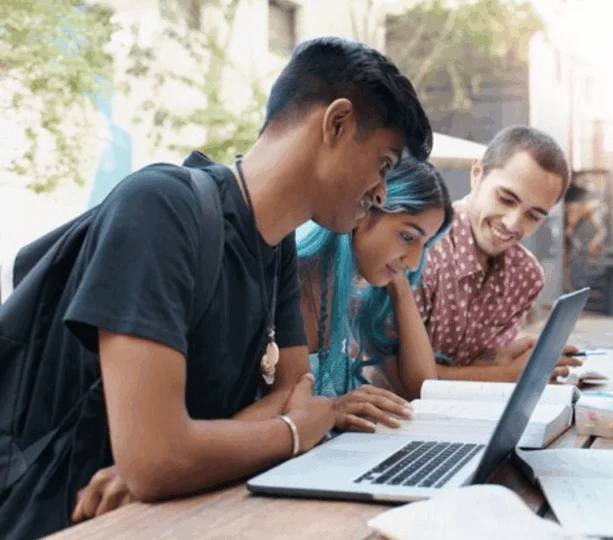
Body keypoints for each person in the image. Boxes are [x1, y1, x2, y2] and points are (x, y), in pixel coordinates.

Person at [0, 36, 431, 538]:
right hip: (67, 521)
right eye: (382, 164)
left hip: (173, 518)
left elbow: (296, 388)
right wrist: (292, 431)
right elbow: (156, 460)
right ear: (336, 123)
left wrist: (195, 449)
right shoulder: (160, 208)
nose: (380, 193)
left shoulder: (277, 249)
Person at [414, 125, 580, 382]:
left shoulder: (527, 277)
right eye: (506, 199)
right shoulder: (421, 250)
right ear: (477, 174)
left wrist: (505, 357)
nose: (513, 223)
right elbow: (396, 376)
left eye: (533, 216)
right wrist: (506, 374)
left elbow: (475, 365)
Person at [297, 157, 453, 420]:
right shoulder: (293, 281)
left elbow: (420, 387)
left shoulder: (355, 300)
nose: (415, 262)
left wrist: (399, 282)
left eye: (424, 245)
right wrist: (332, 413)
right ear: (363, 211)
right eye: (407, 237)